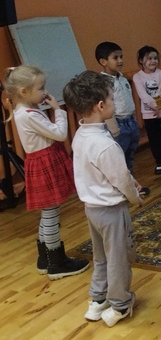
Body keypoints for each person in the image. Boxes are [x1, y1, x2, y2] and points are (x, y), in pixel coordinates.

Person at [62, 71, 143, 327]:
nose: (113, 102)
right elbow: (121, 180)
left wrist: (128, 178)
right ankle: (120, 304)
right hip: (112, 211)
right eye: (111, 98)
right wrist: (135, 198)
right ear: (100, 105)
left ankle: (98, 299)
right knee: (119, 258)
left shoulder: (81, 135)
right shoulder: (105, 145)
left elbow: (109, 172)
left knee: (101, 257)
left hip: (92, 209)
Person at [3, 65, 90, 280]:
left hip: (42, 161)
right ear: (24, 91)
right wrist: (58, 110)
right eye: (41, 88)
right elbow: (60, 134)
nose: (45, 92)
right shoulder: (28, 115)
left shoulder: (24, 111)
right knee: (51, 213)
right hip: (45, 163)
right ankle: (56, 263)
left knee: (48, 212)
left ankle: (45, 259)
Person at [95, 42, 139, 174]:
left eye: (121, 57)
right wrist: (114, 129)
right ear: (103, 61)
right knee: (119, 158)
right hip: (118, 125)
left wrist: (134, 119)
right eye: (115, 58)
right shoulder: (103, 82)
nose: (120, 61)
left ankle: (130, 180)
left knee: (130, 156)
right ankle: (121, 181)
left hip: (131, 122)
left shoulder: (122, 78)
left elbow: (128, 100)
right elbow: (105, 107)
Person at [132, 45, 161, 175]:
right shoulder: (137, 77)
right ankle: (159, 162)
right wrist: (154, 106)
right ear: (141, 60)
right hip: (149, 115)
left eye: (155, 58)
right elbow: (142, 94)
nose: (153, 61)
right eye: (149, 58)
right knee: (154, 139)